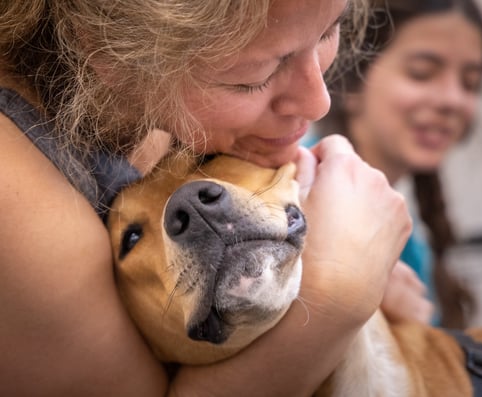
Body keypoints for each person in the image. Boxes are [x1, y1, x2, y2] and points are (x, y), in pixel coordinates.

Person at [0, 1, 413, 396]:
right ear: (109, 52)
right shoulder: (12, 188)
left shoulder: (173, 96)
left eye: (328, 30)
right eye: (253, 77)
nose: (318, 101)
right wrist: (340, 295)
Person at [314, 0, 482, 328]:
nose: (452, 100)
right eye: (421, 74)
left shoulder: (408, 238)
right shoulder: (295, 188)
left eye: (470, 82)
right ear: (353, 81)